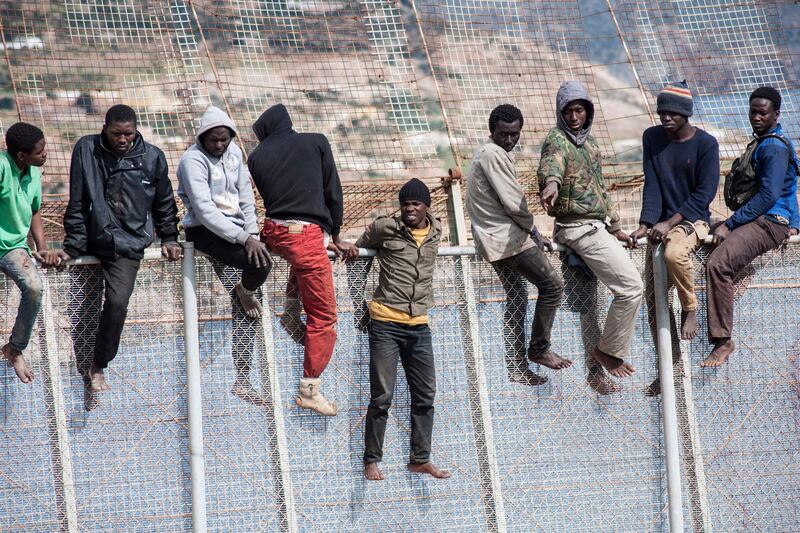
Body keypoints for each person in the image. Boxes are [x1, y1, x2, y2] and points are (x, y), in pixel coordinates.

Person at [50, 104, 182, 392]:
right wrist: (72, 245)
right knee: (83, 307)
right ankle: (81, 370)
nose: (122, 140)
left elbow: (164, 203)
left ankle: (99, 364)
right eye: (116, 134)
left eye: (128, 134)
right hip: (91, 239)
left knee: (118, 302)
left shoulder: (153, 157)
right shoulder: (87, 149)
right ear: (105, 129)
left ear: (136, 131)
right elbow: (78, 199)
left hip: (128, 244)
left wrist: (169, 237)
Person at [247, 103, 357, 416]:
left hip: (273, 232)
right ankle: (310, 390)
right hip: (307, 236)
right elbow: (331, 190)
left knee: (303, 262)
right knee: (324, 318)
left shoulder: (256, 157)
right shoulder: (316, 141)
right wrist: (335, 235)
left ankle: (291, 313)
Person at [538, 80, 642, 382]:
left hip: (597, 227)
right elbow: (551, 166)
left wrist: (617, 227)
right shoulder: (557, 140)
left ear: (588, 112)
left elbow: (600, 188)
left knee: (611, 296)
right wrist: (551, 185)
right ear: (561, 114)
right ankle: (608, 351)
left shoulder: (591, 144)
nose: (573, 117)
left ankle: (602, 358)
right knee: (631, 288)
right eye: (568, 112)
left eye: (579, 111)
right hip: (577, 228)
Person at [349, 178, 451, 481]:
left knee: (426, 394)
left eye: (415, 204)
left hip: (419, 324)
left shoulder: (436, 231)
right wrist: (360, 305)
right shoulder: (385, 228)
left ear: (426, 208)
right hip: (385, 322)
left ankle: (420, 459)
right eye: (405, 204)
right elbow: (357, 256)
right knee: (382, 395)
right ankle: (371, 459)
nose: (409, 209)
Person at [466, 103, 570, 387]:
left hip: (494, 241)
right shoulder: (493, 154)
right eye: (504, 134)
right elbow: (513, 202)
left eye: (514, 134)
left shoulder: (488, 153)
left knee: (518, 298)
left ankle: (516, 367)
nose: (509, 140)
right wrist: (533, 229)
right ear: (493, 131)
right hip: (508, 240)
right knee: (552, 286)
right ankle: (539, 349)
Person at [177, 106, 272, 401]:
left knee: (247, 299)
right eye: (214, 140)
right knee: (255, 262)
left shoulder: (234, 157)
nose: (219, 145)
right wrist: (245, 240)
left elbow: (246, 200)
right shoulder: (192, 161)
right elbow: (204, 211)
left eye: (224, 140)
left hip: (238, 232)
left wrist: (253, 235)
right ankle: (245, 289)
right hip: (205, 231)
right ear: (203, 137)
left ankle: (242, 377)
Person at [703, 87, 799, 367]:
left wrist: (731, 224)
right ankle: (738, 275)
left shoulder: (774, 147)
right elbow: (789, 187)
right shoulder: (764, 142)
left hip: (768, 222)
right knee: (708, 237)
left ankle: (722, 340)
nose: (756, 117)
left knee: (718, 264)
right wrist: (797, 222)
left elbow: (770, 196)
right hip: (762, 219)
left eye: (763, 113)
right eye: (753, 112)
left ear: (776, 114)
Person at [0, 122, 48, 384]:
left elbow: (35, 210)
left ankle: (15, 348)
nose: (45, 154)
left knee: (34, 287)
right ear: (21, 155)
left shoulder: (34, 173)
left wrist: (41, 247)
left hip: (14, 247)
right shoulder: (2, 166)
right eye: (40, 152)